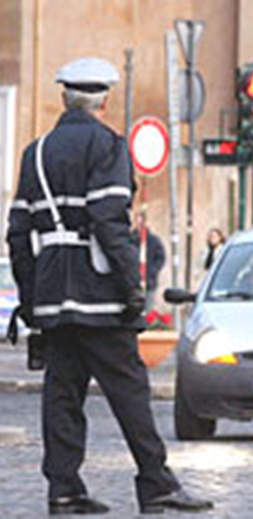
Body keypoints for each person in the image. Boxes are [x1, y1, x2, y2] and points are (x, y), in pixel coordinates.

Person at [6, 57, 212, 515]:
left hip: (53, 297)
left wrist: (30, 299)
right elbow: (108, 222)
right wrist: (132, 288)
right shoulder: (108, 146)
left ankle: (63, 490)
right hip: (100, 296)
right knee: (130, 392)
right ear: (104, 100)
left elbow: (18, 232)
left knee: (61, 397)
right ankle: (156, 483)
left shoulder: (34, 152)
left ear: (65, 96)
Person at [133, 212, 166, 311]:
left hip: (149, 282)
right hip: (133, 282)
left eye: (141, 222)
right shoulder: (130, 239)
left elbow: (161, 257)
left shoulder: (153, 240)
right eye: (137, 222)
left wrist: (152, 270)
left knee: (148, 310)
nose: (139, 225)